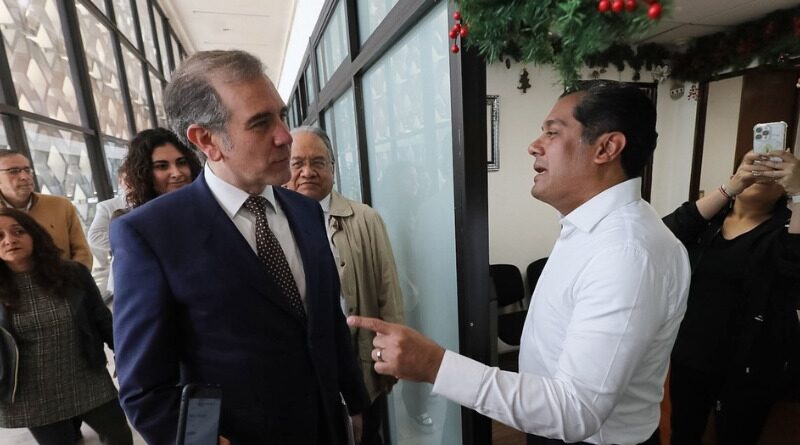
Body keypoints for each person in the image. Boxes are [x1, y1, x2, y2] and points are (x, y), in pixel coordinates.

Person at [348, 80, 692, 445]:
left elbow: (575, 410)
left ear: (606, 148)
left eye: (552, 133)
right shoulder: (592, 229)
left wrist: (434, 364)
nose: (534, 146)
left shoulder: (625, 253)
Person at [110, 50, 368, 445]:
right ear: (206, 139)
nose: (284, 136)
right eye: (261, 123)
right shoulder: (151, 235)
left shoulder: (306, 210)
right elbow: (145, 390)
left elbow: (327, 322)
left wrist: (355, 403)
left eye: (281, 115)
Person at [663, 149, 800, 445]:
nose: (761, 173)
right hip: (692, 353)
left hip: (751, 364)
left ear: (783, 189)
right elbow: (664, 234)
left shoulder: (784, 229)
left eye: (773, 172)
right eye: (753, 166)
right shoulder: (709, 222)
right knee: (683, 433)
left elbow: (794, 264)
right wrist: (730, 187)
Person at [286, 126, 404, 444]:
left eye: (318, 162)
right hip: (304, 372)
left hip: (358, 362)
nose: (307, 172)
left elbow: (388, 291)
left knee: (368, 435)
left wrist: (391, 358)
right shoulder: (274, 223)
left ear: (333, 168)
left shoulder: (365, 218)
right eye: (297, 163)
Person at [0, 208, 132, 445]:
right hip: (32, 394)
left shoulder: (72, 273)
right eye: (0, 236)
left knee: (119, 436)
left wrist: (127, 360)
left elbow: (103, 320)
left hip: (87, 377)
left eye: (18, 231)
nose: (9, 240)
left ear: (34, 235)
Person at [0, 151, 92, 269]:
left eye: (27, 170)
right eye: (14, 171)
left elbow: (82, 252)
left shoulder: (60, 206)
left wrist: (75, 278)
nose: (25, 177)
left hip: (65, 278)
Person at [87, 169, 127, 301]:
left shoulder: (153, 199)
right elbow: (95, 237)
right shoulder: (108, 206)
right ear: (120, 181)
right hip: (124, 270)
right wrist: (127, 242)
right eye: (128, 179)